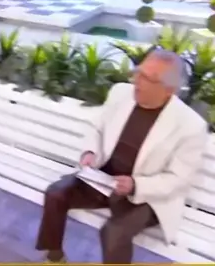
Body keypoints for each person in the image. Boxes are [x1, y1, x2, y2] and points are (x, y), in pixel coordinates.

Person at [36, 49, 208, 264]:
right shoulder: (120, 93)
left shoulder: (190, 126)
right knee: (56, 194)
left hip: (146, 197)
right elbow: (97, 127)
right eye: (139, 73)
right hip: (104, 180)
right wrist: (90, 152)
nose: (138, 82)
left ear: (169, 90)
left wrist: (135, 185)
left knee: (114, 233)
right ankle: (55, 257)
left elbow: (178, 179)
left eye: (148, 78)